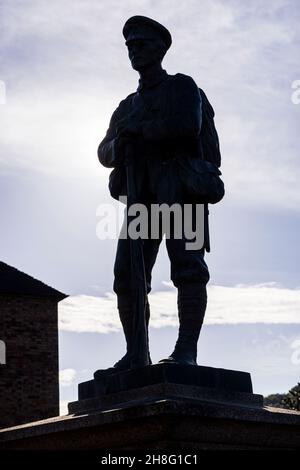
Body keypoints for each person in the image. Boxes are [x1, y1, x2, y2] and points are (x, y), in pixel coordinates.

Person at [98, 15, 211, 369]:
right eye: (130, 45)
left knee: (188, 270)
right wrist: (119, 145)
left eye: (142, 43)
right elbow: (104, 151)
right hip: (139, 197)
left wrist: (140, 131)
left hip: (179, 190)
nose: (134, 50)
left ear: (160, 48)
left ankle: (186, 352)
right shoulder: (125, 106)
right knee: (127, 278)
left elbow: (186, 126)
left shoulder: (181, 86)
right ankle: (136, 354)